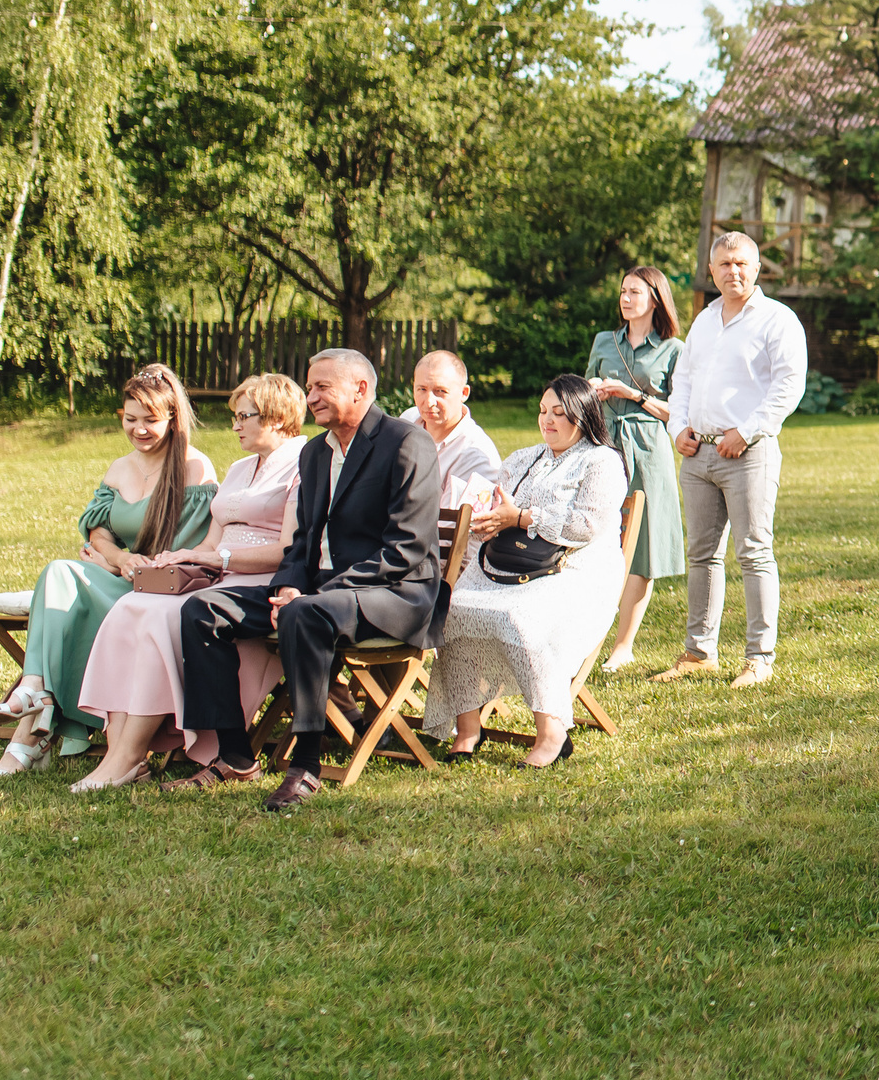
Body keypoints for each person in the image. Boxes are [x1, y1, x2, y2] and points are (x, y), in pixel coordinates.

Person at [168, 348, 444, 811]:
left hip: (396, 593)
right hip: (319, 592)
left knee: (304, 612)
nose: (310, 396)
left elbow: (407, 549)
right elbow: (302, 540)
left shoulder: (406, 443)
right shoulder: (315, 452)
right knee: (202, 610)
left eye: (321, 387)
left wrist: (314, 594)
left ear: (360, 389)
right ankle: (235, 754)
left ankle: (306, 765)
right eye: (310, 386)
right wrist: (287, 585)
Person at [70, 374, 310, 790]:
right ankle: (118, 752)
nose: (234, 425)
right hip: (219, 575)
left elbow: (290, 548)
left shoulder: (303, 464)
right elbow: (212, 541)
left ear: (275, 418)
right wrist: (182, 558)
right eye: (235, 416)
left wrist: (216, 558)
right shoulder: (239, 468)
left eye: (244, 416)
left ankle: (130, 754)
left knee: (159, 617)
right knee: (131, 606)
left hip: (263, 581)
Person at [0, 364, 218, 774]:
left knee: (66, 600)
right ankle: (35, 688)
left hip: (160, 594)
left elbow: (186, 554)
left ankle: (32, 734)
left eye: (150, 420)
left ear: (172, 418)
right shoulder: (120, 468)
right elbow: (99, 536)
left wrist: (115, 565)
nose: (138, 429)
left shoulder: (194, 469)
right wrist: (118, 560)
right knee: (59, 571)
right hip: (122, 579)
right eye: (130, 419)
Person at [424, 375, 631, 767]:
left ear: (583, 415)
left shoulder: (602, 461)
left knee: (520, 617)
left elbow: (584, 526)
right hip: (506, 564)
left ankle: (552, 734)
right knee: (451, 610)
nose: (547, 420)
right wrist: (488, 521)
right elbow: (497, 510)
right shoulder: (522, 458)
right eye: (542, 411)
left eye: (558, 413)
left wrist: (521, 517)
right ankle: (468, 730)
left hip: (576, 570)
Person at [661, 232, 809, 688]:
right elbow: (683, 381)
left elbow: (789, 385)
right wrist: (677, 428)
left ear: (757, 268)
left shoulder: (777, 319)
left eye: (742, 263)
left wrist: (745, 433)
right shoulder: (704, 321)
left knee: (754, 552)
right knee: (701, 554)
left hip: (748, 453)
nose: (733, 271)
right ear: (712, 271)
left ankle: (759, 658)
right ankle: (698, 652)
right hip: (697, 454)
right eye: (724, 264)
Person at [588, 266, 687, 674]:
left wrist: (633, 394)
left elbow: (679, 412)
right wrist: (592, 391)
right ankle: (585, 637)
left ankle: (623, 646)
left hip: (647, 448)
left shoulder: (673, 349)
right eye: (623, 291)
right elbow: (583, 394)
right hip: (604, 444)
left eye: (635, 292)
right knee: (595, 537)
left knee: (642, 544)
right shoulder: (604, 341)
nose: (626, 299)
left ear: (655, 299)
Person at [403, 349, 500, 507]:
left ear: (464, 393)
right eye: (422, 389)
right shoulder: (408, 420)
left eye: (440, 391)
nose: (429, 402)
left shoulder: (475, 454)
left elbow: (451, 520)